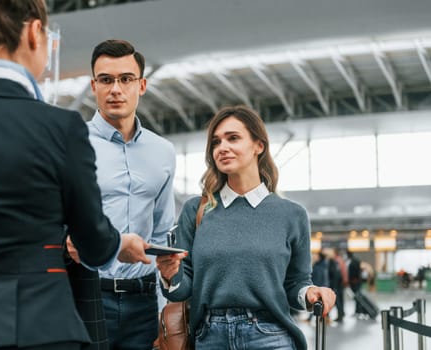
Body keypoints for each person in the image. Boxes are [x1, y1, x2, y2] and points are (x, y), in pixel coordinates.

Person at [0, 1, 150, 349]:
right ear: (35, 32)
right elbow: (92, 243)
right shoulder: (60, 128)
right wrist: (119, 246)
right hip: (39, 326)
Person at [156, 105, 336, 350]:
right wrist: (169, 275)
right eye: (216, 142)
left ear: (258, 146)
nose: (222, 148)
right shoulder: (196, 210)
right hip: (210, 337)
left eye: (233, 138)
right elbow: (180, 292)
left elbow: (296, 283)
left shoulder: (291, 214)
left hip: (270, 336)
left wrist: (311, 293)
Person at [87, 39, 176, 350]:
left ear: (142, 85)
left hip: (143, 302)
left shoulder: (163, 152)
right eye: (106, 80)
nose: (116, 89)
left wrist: (165, 304)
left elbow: (163, 233)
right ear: (93, 86)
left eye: (126, 79)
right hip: (87, 295)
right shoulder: (73, 144)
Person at [328, 248, 348, 322]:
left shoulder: (337, 261)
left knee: (337, 300)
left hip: (338, 284)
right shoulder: (341, 260)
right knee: (340, 299)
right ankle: (342, 313)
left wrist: (336, 285)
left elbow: (339, 273)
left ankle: (340, 315)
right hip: (341, 283)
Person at [347, 250, 364, 315]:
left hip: (355, 282)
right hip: (357, 281)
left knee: (357, 297)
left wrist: (353, 280)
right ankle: (358, 310)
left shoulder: (353, 262)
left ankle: (358, 310)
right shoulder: (356, 260)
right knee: (357, 296)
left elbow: (354, 272)